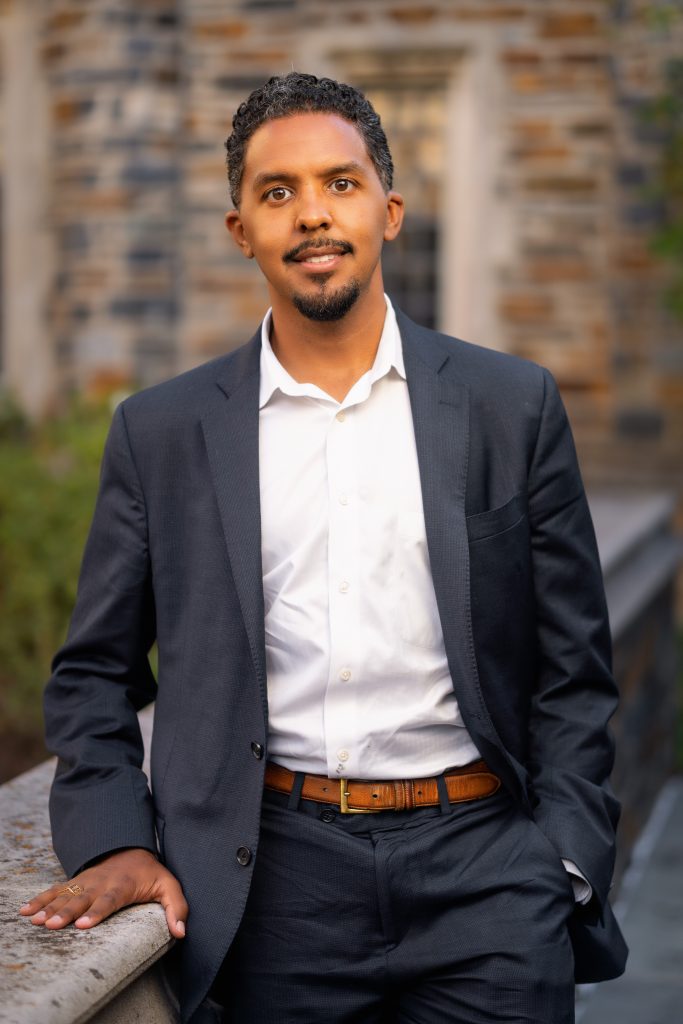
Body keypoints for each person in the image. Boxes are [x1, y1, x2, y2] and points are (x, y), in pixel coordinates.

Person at [20, 72, 627, 1024]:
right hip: (272, 885)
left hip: (487, 876)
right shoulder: (163, 431)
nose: (312, 215)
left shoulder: (510, 406)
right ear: (241, 231)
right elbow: (92, 672)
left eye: (339, 185)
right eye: (278, 193)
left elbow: (573, 672)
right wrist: (112, 841)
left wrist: (561, 860)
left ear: (388, 212)